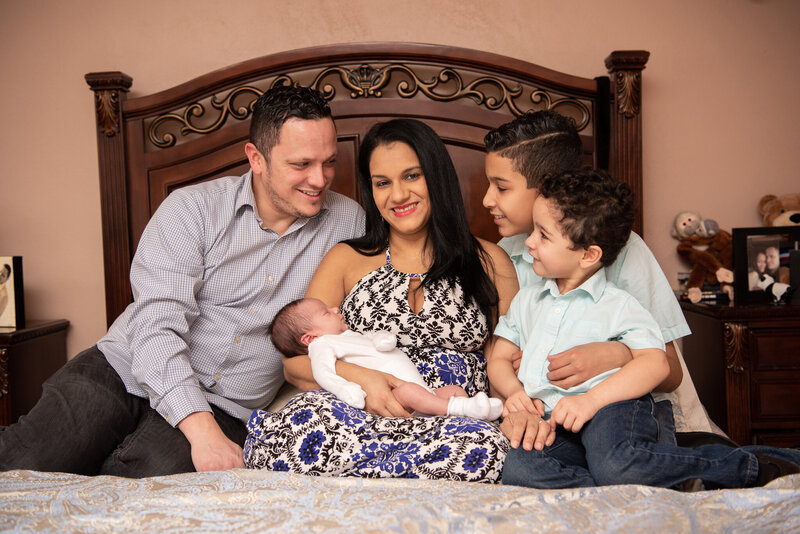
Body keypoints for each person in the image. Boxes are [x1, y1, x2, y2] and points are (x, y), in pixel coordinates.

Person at [0, 86, 365, 477]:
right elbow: (155, 325)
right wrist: (200, 429)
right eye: (302, 164)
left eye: (329, 162)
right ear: (256, 158)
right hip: (123, 370)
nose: (320, 179)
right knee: (26, 465)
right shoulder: (191, 209)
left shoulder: (349, 224)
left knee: (147, 497)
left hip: (228, 405)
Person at [244, 118, 519, 482]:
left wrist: (516, 410)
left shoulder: (488, 260)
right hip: (358, 418)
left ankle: (379, 482)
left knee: (486, 450)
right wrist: (364, 378)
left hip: (451, 421)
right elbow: (295, 363)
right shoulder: (346, 258)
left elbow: (513, 356)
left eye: (411, 176)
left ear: (436, 176)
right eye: (382, 183)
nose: (398, 195)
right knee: (293, 431)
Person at [489, 169, 800, 489]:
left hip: (613, 410)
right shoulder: (528, 300)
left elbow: (655, 363)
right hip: (555, 420)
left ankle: (749, 466)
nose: (529, 242)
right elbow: (499, 358)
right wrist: (514, 393)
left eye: (543, 235)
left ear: (589, 254)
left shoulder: (619, 305)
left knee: (616, 463)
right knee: (519, 470)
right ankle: (638, 478)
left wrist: (590, 401)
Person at [482, 110, 692, 451]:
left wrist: (617, 354)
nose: (487, 199)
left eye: (501, 187)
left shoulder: (623, 248)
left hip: (619, 409)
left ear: (549, 185)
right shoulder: (503, 253)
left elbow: (669, 372)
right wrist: (515, 403)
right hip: (547, 415)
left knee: (615, 455)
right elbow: (499, 356)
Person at [270, 297, 503, 420]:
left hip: (424, 390)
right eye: (325, 313)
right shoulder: (322, 345)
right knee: (412, 392)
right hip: (393, 396)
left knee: (454, 389)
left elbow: (372, 341)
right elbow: (323, 373)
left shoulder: (347, 336)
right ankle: (460, 409)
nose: (334, 308)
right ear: (309, 339)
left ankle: (462, 410)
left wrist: (381, 339)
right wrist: (345, 390)